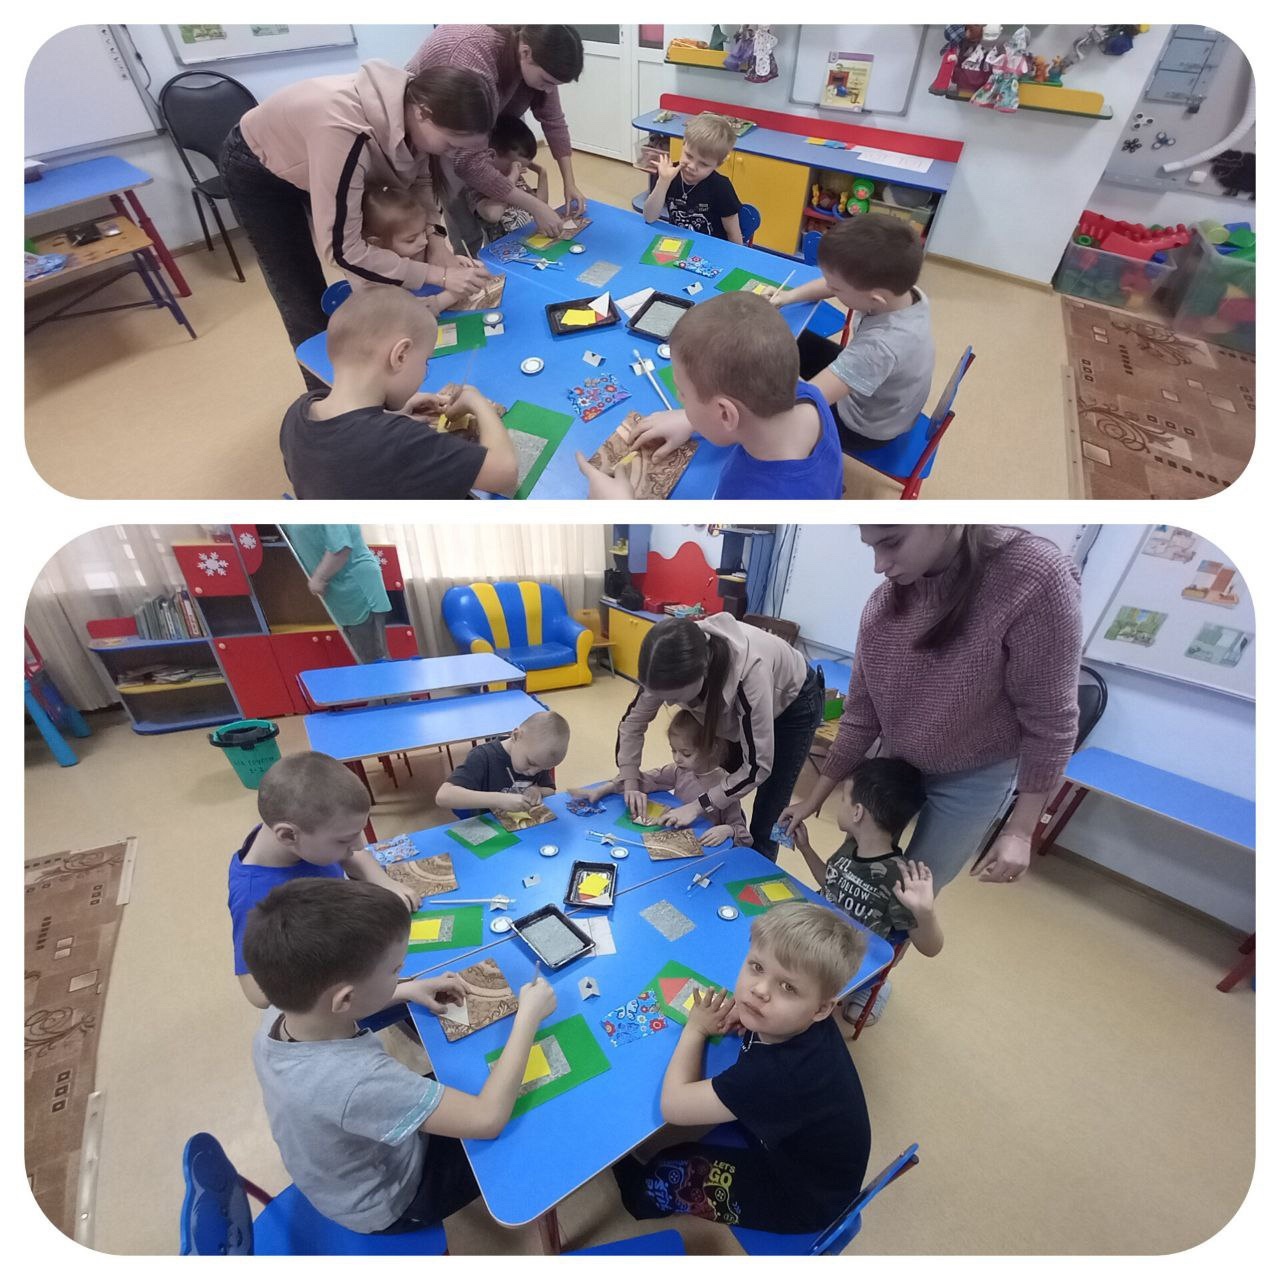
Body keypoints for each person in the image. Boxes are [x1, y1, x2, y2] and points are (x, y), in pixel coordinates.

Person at [245, 877, 558, 1233]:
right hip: (394, 1200)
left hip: (344, 1171)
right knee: (538, 1114)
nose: (401, 975)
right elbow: (487, 1119)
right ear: (345, 998)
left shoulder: (283, 1011)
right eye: (395, 970)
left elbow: (335, 1010)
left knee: (475, 1079)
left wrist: (406, 990)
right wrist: (527, 1017)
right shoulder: (356, 1081)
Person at [781, 525, 1083, 890]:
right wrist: (813, 799)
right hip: (896, 764)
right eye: (871, 547)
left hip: (973, 771)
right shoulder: (881, 608)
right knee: (857, 880)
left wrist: (1019, 830)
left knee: (912, 894)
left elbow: (1050, 720)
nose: (879, 565)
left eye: (892, 543)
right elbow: (860, 717)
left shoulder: (1031, 576)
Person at [219, 60, 495, 388]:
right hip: (259, 169)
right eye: (449, 144)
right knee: (300, 289)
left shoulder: (418, 104)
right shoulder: (343, 130)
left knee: (388, 250)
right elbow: (343, 251)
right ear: (423, 113)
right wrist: (440, 276)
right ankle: (330, 397)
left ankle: (384, 373)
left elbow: (421, 181)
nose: (449, 153)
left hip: (323, 152)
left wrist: (438, 246)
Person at [612, 902, 871, 1233]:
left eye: (788, 987)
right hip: (806, 1155)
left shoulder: (775, 1076)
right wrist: (751, 1018)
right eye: (757, 967)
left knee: (671, 1166)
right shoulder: (803, 1023)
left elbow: (673, 1106)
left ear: (822, 1009)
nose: (759, 990)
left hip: (801, 1199)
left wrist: (695, 1029)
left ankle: (639, 1198)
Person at [576, 293, 842, 501]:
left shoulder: (751, 501)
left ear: (725, 414)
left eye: (682, 393)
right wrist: (691, 420)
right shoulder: (807, 395)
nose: (679, 398)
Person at [612, 615, 824, 858]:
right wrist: (630, 781)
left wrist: (697, 806)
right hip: (742, 701)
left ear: (702, 672)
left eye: (676, 697)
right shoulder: (666, 665)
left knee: (769, 808)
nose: (669, 704)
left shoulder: (749, 676)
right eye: (663, 696)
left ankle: (758, 863)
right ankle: (728, 841)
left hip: (794, 704)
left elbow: (757, 768)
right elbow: (632, 724)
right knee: (715, 777)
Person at [278, 290, 518, 500]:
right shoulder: (401, 441)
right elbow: (505, 474)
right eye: (425, 362)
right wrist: (474, 400)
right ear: (400, 355)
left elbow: (347, 447)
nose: (424, 371)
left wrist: (390, 415)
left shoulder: (298, 413)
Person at [228, 751, 420, 1009]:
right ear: (287, 835)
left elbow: (353, 856)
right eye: (345, 839)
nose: (359, 845)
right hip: (334, 994)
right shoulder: (254, 895)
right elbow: (257, 993)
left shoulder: (290, 839)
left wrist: (384, 882)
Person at [407, 26, 587, 252]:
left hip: (486, 129)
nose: (549, 90)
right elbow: (467, 160)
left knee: (495, 187)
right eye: (546, 81)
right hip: (442, 132)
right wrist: (536, 207)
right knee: (462, 216)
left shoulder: (536, 62)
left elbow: (553, 120)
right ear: (525, 52)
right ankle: (469, 260)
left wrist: (569, 182)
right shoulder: (473, 53)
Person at [770, 213, 935, 452]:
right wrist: (787, 297)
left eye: (836, 289)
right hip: (882, 399)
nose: (830, 289)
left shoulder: (879, 348)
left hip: (862, 427)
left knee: (769, 396)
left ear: (875, 299)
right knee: (784, 339)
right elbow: (834, 283)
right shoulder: (901, 291)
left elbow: (811, 400)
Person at [792, 758, 939, 1027]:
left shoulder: (898, 877)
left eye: (843, 799)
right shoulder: (850, 847)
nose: (840, 805)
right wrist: (806, 849)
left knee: (792, 990)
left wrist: (925, 912)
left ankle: (873, 990)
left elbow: (931, 948)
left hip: (847, 958)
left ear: (858, 812)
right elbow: (831, 883)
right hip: (819, 934)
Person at [571, 709, 750, 848]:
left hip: (705, 850)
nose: (677, 758)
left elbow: (743, 834)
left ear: (711, 749)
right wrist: (604, 789)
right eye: (673, 750)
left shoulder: (728, 787)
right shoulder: (680, 770)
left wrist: (727, 830)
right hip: (676, 841)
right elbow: (644, 779)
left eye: (686, 753)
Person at [282, 525, 395, 661]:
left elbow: (341, 547)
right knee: (366, 659)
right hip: (339, 592)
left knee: (373, 660)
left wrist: (319, 578)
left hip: (354, 587)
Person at [435, 710, 570, 815]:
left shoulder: (538, 760)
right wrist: (500, 799)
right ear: (515, 736)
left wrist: (538, 791)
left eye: (542, 769)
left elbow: (550, 790)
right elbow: (443, 796)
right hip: (489, 828)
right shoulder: (482, 757)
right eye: (531, 763)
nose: (533, 772)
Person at [642, 112, 743, 242]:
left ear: (718, 164)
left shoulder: (721, 187)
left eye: (704, 164)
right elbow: (649, 217)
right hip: (679, 244)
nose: (692, 167)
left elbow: (733, 233)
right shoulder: (668, 174)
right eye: (689, 156)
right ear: (684, 143)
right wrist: (663, 182)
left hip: (711, 248)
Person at [467, 115, 547, 242]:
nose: (517, 170)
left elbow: (541, 205)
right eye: (515, 165)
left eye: (520, 166)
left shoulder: (512, 176)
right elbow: (493, 215)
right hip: (506, 250)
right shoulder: (479, 185)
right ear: (491, 155)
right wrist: (512, 178)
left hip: (532, 241)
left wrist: (542, 173)